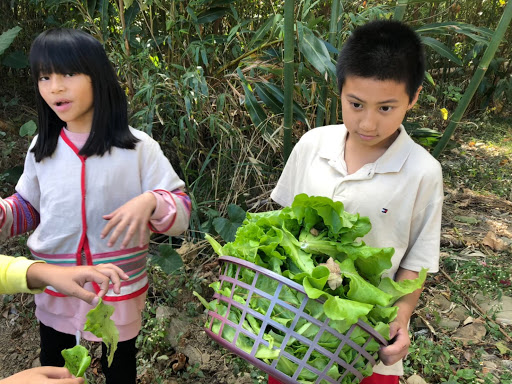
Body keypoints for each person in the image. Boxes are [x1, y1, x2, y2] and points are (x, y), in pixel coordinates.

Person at [0, 28, 191, 384]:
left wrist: (150, 202)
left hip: (117, 288)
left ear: (98, 76)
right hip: (56, 285)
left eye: (68, 74)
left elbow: (180, 210)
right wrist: (4, 213)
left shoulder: (138, 148)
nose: (55, 87)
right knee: (57, 367)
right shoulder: (43, 145)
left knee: (121, 368)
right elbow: (28, 207)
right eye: (44, 77)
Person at [269, 20, 444, 384]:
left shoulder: (423, 172)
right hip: (295, 330)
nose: (367, 122)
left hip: (366, 340)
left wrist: (402, 318)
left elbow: (416, 262)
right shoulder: (312, 145)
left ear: (412, 98)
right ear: (340, 92)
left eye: (385, 108)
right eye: (356, 103)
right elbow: (283, 226)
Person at [0, 255, 129, 384]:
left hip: (121, 301)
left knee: (119, 364)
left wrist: (47, 273)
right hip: (54, 307)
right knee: (53, 355)